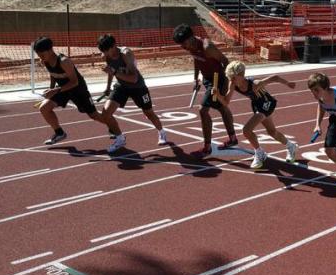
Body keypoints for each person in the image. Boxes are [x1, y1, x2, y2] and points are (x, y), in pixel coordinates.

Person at [31, 36, 122, 151]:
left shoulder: (64, 61)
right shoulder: (45, 61)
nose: (40, 57)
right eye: (38, 54)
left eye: (41, 54)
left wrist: (55, 90)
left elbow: (74, 82)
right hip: (63, 89)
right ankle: (59, 133)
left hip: (78, 89)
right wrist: (51, 90)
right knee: (44, 108)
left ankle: (112, 127)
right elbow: (53, 74)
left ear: (50, 50)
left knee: (93, 115)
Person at [215, 61, 299, 169]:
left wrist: (287, 83)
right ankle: (291, 146)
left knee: (246, 130)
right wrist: (218, 95)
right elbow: (226, 102)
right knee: (272, 132)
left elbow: (275, 77)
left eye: (233, 77)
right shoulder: (233, 84)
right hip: (257, 104)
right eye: (229, 77)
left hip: (266, 103)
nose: (231, 80)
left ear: (241, 75)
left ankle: (259, 153)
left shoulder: (255, 83)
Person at [172, 24, 238, 156]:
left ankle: (207, 148)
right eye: (181, 45)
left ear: (191, 38)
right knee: (221, 108)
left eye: (183, 44)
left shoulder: (208, 47)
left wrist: (226, 85)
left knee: (203, 110)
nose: (183, 47)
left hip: (218, 79)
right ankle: (233, 139)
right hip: (207, 79)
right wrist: (196, 78)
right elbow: (196, 60)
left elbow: (226, 62)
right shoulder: (191, 46)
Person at [97, 34, 167, 151]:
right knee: (106, 112)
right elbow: (111, 70)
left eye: (106, 50)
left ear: (114, 46)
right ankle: (120, 139)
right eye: (102, 51)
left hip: (137, 87)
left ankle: (162, 132)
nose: (104, 54)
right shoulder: (106, 55)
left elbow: (133, 78)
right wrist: (108, 87)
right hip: (121, 86)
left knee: (149, 113)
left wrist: (114, 73)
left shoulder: (126, 54)